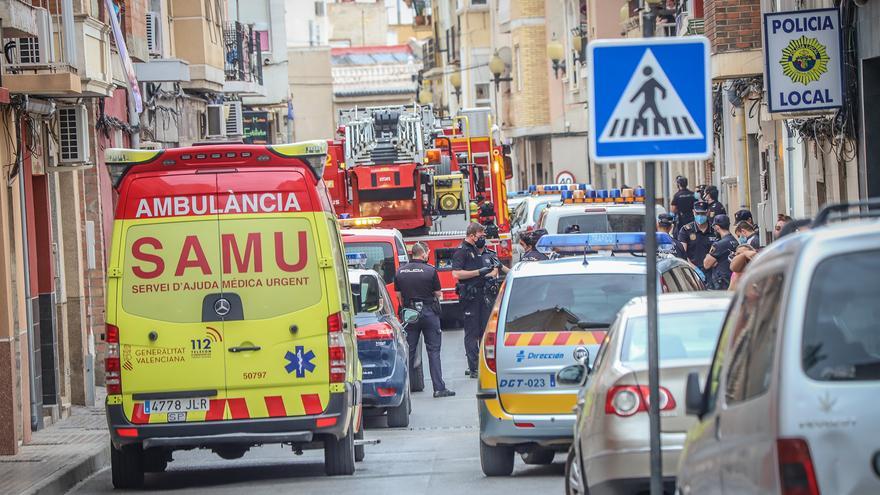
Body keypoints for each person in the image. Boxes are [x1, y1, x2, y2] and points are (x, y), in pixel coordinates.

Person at [394, 242, 455, 398]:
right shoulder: (430, 270)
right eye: (427, 253)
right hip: (429, 313)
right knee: (433, 350)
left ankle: (403, 389)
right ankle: (439, 388)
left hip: (410, 314)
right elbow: (438, 293)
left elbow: (399, 296)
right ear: (423, 254)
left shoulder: (400, 272)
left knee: (409, 351)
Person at [452, 223, 496, 378]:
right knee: (471, 332)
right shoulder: (461, 251)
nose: (482, 239)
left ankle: (482, 364)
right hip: (470, 296)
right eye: (480, 236)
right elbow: (456, 274)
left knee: (484, 331)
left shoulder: (475, 250)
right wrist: (478, 272)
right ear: (472, 235)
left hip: (481, 295)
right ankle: (474, 368)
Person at [677, 201, 718, 279]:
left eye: (703, 213)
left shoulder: (715, 230)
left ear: (708, 212)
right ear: (693, 212)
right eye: (697, 213)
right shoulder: (686, 230)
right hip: (692, 271)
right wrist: (694, 269)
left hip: (712, 272)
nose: (700, 216)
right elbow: (682, 254)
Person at [703, 214, 737, 290]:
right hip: (731, 279)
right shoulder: (734, 240)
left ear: (717, 227)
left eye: (714, 227)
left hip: (722, 283)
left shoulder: (719, 244)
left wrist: (710, 257)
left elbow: (706, 264)